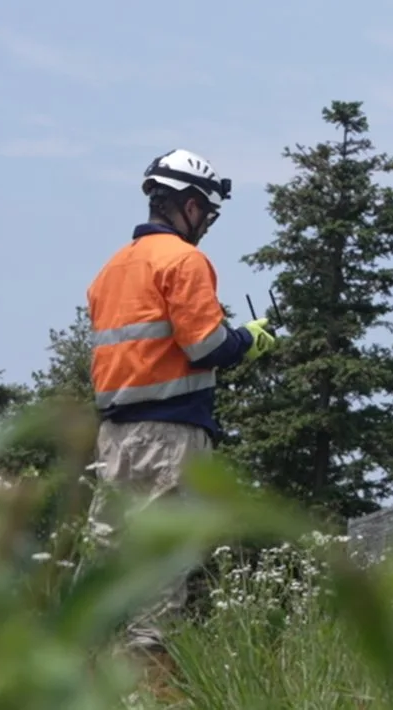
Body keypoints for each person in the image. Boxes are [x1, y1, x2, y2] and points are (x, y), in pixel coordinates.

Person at [86, 148, 276, 661]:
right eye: (208, 214)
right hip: (170, 436)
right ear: (189, 205)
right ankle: (147, 681)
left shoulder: (112, 270)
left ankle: (78, 674)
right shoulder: (184, 260)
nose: (208, 226)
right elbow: (206, 347)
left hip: (113, 438)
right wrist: (249, 340)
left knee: (106, 560)